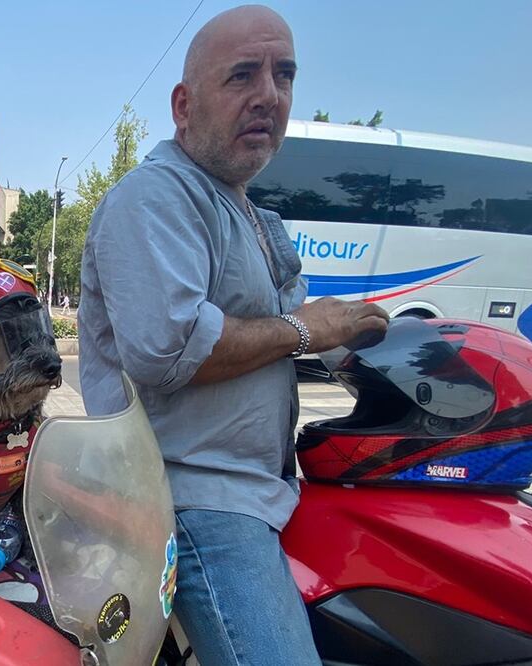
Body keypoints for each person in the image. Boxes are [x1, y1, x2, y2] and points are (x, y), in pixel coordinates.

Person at [78, 6, 389, 665]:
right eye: (242, 75)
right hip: (193, 498)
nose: (268, 96)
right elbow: (167, 349)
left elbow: (295, 328)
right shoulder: (155, 197)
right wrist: (309, 330)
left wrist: (372, 348)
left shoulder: (243, 210)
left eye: (284, 75)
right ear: (183, 105)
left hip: (261, 488)